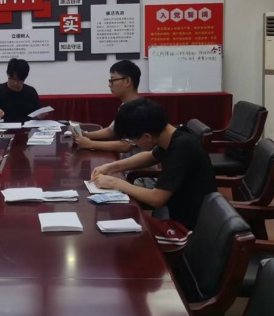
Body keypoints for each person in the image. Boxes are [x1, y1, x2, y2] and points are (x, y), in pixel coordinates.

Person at [90, 98, 217, 230]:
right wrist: (111, 167)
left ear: (147, 137)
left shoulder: (181, 148)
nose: (134, 143)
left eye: (133, 140)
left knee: (124, 230)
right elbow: (150, 156)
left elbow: (156, 199)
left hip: (189, 228)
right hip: (179, 213)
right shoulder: (174, 135)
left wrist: (115, 183)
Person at [73, 60, 141, 152]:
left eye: (113, 80)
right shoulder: (125, 106)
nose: (109, 85)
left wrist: (90, 144)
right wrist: (85, 135)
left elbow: (126, 146)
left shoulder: (139, 110)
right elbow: (112, 131)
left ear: (127, 81)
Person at [0, 58, 42, 124]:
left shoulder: (31, 92)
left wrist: (39, 116)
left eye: (19, 80)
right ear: (7, 74)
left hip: (27, 128)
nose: (15, 83)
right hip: (3, 129)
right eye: (12, 79)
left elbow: (37, 115)